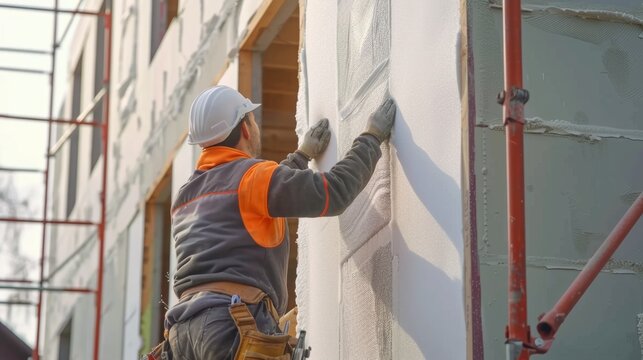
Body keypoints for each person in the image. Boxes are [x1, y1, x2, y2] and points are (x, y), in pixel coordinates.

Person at [164, 85, 396, 359]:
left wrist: (301, 157)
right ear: (246, 128)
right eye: (252, 118)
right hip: (226, 326)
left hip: (180, 336)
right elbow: (334, 192)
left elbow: (251, 199)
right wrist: (371, 138)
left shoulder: (185, 196)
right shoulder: (252, 177)